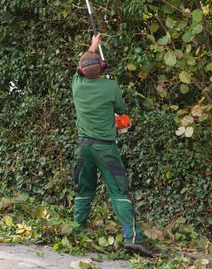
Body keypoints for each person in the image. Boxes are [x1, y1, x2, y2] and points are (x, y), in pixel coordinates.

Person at [72, 34, 153, 257]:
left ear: (81, 70)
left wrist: (92, 46)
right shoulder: (110, 86)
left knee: (84, 189)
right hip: (105, 148)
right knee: (119, 191)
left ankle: (75, 231)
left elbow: (82, 66)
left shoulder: (76, 84)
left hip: (83, 148)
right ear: (102, 67)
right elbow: (121, 109)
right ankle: (132, 238)